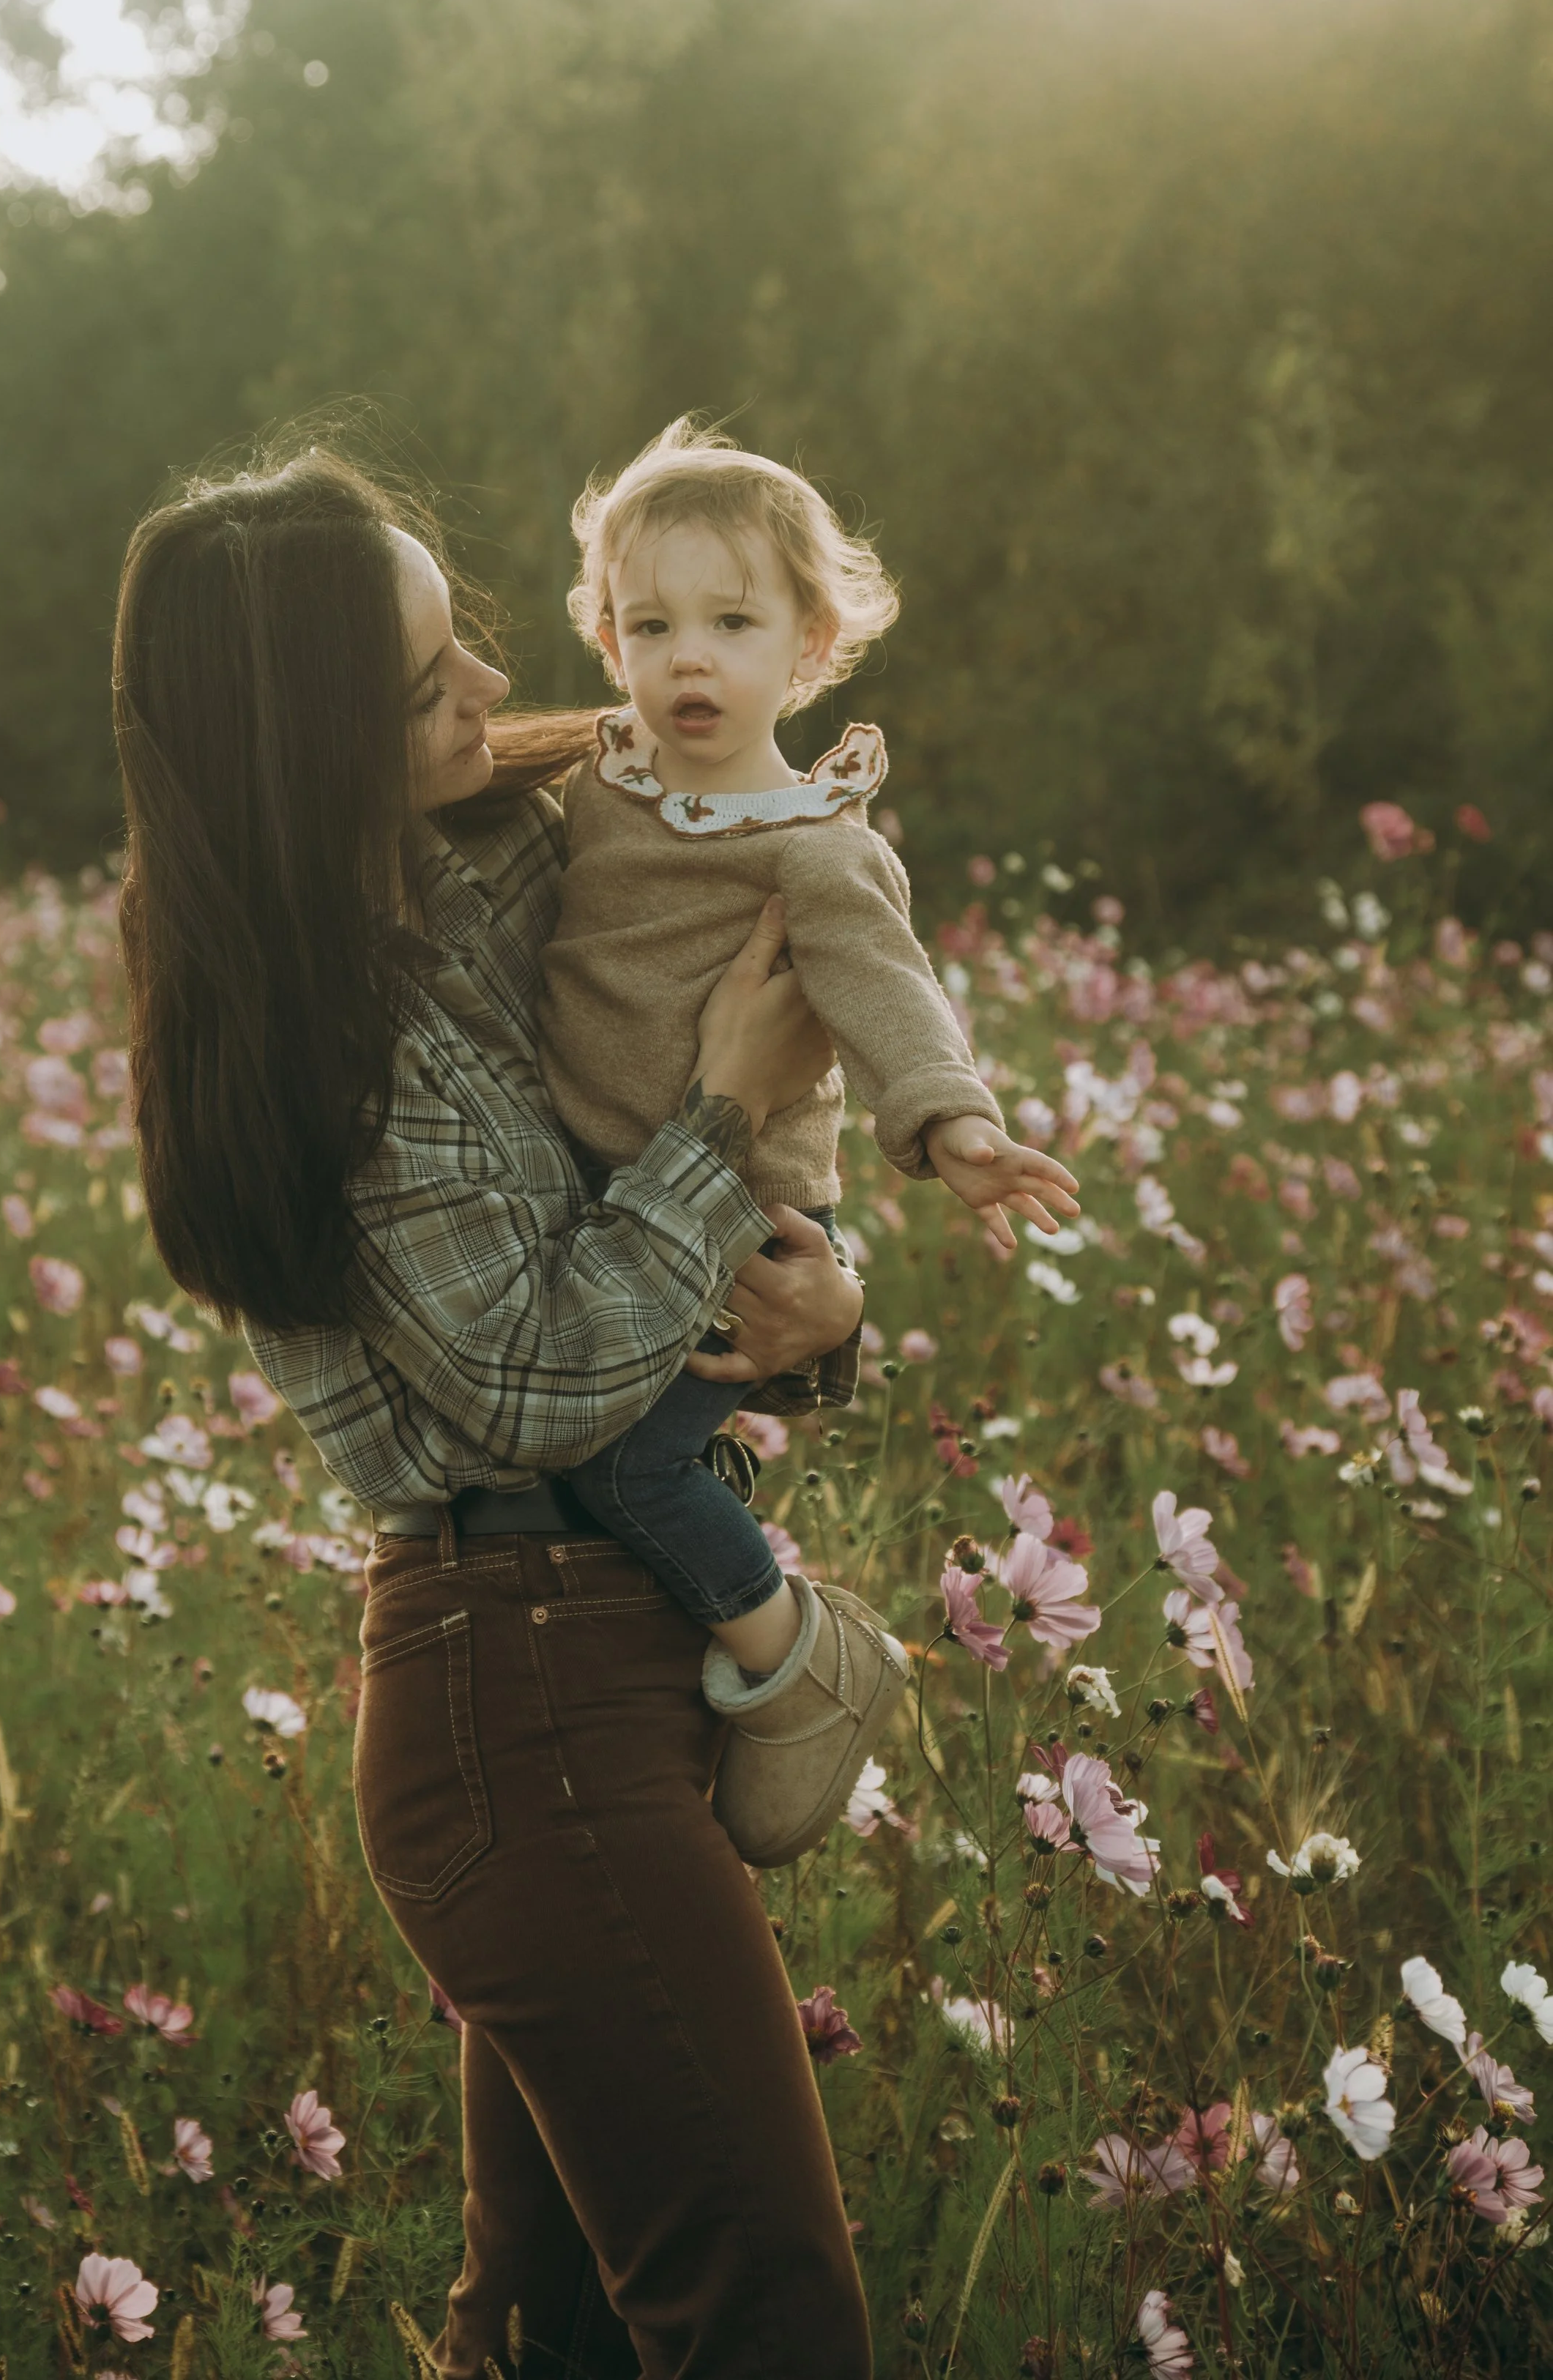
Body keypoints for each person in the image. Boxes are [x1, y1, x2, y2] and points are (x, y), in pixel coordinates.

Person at [113, 439, 879, 2377]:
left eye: (466, 643)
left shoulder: (490, 845)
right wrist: (718, 1112)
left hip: (599, 1648)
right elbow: (536, 1374)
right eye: (425, 683)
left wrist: (816, 1304)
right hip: (512, 1690)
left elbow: (743, 825)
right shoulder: (321, 1029)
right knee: (757, 2313)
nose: (489, 692)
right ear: (302, 753)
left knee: (557, 2337)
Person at [540, 420, 1081, 1864]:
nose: (688, 660)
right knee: (568, 1465)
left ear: (811, 644)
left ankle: (796, 1666)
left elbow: (884, 989)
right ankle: (667, 1689)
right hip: (600, 1201)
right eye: (649, 625)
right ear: (607, 642)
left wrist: (951, 1123)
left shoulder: (811, 837)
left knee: (625, 1473)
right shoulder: (595, 785)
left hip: (740, 1230)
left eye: (730, 622)